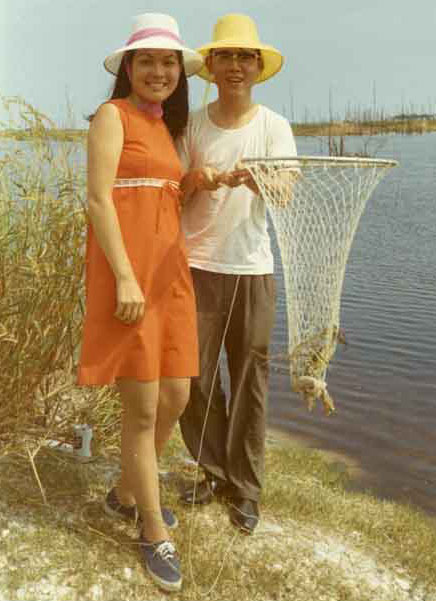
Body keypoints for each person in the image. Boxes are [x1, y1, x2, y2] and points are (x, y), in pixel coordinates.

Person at [77, 13, 203, 592]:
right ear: (129, 68)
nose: (158, 70)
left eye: (168, 61)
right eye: (147, 60)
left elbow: (163, 196)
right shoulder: (113, 116)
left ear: (180, 71)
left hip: (170, 276)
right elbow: (100, 202)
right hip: (129, 279)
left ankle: (127, 490)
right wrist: (125, 277)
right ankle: (152, 528)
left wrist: (207, 180)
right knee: (144, 408)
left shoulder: (166, 129)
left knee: (177, 395)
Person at [177, 14, 297, 534]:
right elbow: (174, 193)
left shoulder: (274, 126)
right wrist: (198, 179)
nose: (234, 66)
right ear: (212, 66)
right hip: (195, 266)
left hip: (252, 270)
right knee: (192, 377)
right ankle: (212, 471)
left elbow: (287, 194)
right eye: (224, 56)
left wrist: (261, 180)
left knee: (250, 379)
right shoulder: (192, 125)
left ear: (257, 66)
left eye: (244, 57)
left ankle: (245, 489)